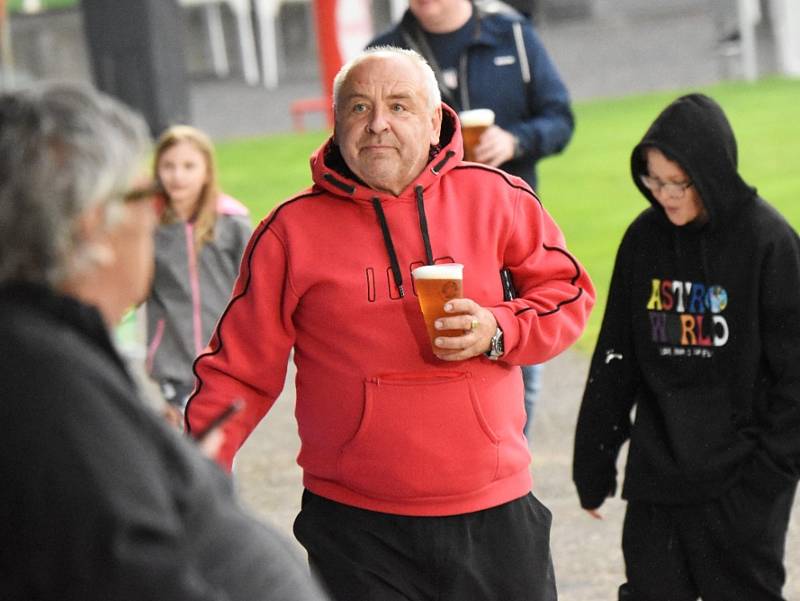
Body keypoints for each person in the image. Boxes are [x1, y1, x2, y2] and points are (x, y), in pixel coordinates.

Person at [185, 46, 594, 601]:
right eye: (358, 108)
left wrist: (499, 328)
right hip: (356, 527)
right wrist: (191, 482)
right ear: (336, 125)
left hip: (493, 512)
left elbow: (567, 295)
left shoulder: (499, 198)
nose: (377, 123)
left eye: (399, 106)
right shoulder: (289, 233)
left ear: (434, 123)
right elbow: (237, 372)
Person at [0, 82, 326, 601]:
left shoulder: (49, 352)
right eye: (145, 196)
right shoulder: (47, 388)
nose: (156, 212)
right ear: (92, 228)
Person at [573, 93, 800, 601]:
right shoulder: (643, 240)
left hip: (742, 483)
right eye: (654, 181)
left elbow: (795, 377)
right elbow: (617, 357)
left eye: (679, 183)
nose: (666, 195)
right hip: (659, 479)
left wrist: (770, 474)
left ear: (713, 174)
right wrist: (594, 461)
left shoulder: (770, 242)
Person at [369, 0, 575, 439]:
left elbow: (560, 118)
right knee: (423, 357)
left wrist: (516, 141)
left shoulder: (513, 36)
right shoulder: (383, 53)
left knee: (519, 363)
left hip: (506, 232)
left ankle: (508, 461)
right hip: (421, 240)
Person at [145, 125, 251, 413]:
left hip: (225, 360)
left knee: (219, 446)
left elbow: (259, 288)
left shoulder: (232, 224)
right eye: (168, 166)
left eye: (189, 166)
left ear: (206, 172)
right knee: (187, 442)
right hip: (174, 363)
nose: (177, 175)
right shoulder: (148, 228)